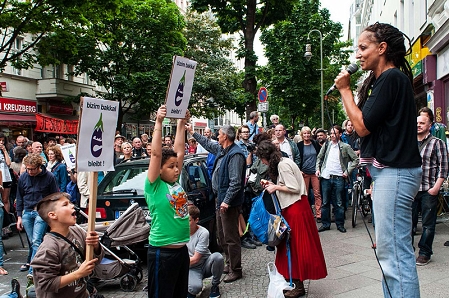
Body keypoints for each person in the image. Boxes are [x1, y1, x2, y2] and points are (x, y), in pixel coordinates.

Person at [335, 22, 423, 297]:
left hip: (396, 174)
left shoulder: (391, 78)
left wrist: (345, 90)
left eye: (363, 47)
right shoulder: (388, 80)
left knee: (395, 255)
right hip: (391, 174)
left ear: (382, 48)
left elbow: (361, 126)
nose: (358, 54)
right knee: (390, 254)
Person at [256, 140, 327, 298]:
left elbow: (293, 187)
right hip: (294, 208)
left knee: (293, 247)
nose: (261, 162)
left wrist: (275, 187)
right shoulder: (283, 162)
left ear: (266, 156)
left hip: (295, 208)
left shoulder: (283, 165)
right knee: (292, 246)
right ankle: (295, 282)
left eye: (261, 158)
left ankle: (298, 285)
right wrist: (271, 184)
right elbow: (288, 184)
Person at [187, 123, 245, 283]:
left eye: (219, 134)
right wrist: (192, 132)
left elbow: (235, 182)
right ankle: (229, 263)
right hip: (220, 199)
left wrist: (226, 202)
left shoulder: (235, 155)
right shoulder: (222, 149)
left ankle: (236, 269)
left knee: (231, 236)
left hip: (229, 203)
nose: (216, 136)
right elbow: (208, 144)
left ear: (225, 136)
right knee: (222, 234)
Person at [145, 105, 190, 298]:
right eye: (171, 167)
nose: (177, 169)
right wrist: (158, 122)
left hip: (181, 252)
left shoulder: (175, 183)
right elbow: (156, 155)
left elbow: (179, 152)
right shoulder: (154, 186)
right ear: (160, 169)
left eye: (177, 166)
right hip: (162, 254)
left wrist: (181, 123)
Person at [31, 192, 104, 298]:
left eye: (70, 203)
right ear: (52, 215)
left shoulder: (79, 232)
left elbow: (96, 260)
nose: (72, 206)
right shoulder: (49, 248)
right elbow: (46, 283)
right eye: (65, 204)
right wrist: (78, 274)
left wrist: (96, 246)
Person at [16, 154, 59, 285]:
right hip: (27, 211)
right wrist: (19, 216)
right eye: (28, 169)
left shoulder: (49, 177)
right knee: (32, 242)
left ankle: (33, 270)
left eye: (32, 169)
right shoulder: (24, 177)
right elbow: (19, 197)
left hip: (41, 211)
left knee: (36, 241)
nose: (30, 171)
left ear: (39, 166)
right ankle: (41, 264)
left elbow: (54, 195)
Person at [412, 115, 448, 266]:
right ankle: (407, 250)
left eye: (422, 123)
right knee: (408, 223)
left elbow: (444, 167)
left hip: (428, 189)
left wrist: (436, 187)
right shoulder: (409, 141)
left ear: (430, 125)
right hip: (411, 190)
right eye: (417, 123)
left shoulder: (437, 142)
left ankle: (425, 252)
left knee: (428, 223)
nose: (419, 125)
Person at [316, 125, 358, 233]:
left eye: (334, 133)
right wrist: (318, 169)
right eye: (331, 133)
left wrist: (347, 171)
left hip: (339, 177)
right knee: (325, 202)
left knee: (339, 203)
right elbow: (319, 158)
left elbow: (355, 160)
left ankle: (340, 224)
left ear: (340, 134)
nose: (332, 135)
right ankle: (325, 224)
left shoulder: (345, 146)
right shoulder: (326, 145)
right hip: (326, 177)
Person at [187, 205, 223, 298]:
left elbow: (195, 259)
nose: (185, 224)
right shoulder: (179, 232)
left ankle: (215, 286)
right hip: (191, 268)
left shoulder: (203, 233)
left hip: (204, 264)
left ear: (196, 220)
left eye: (189, 221)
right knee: (194, 288)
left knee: (217, 257)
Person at [297, 126, 322, 222]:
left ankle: (319, 214)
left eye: (308, 133)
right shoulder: (299, 145)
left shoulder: (315, 144)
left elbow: (320, 156)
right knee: (305, 194)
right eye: (304, 133)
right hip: (304, 173)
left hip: (315, 172)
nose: (306, 135)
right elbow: (297, 158)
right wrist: (299, 170)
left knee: (317, 193)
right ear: (302, 135)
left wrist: (319, 168)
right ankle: (308, 214)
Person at [0, 133, 12, 214]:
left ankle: (7, 220)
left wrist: (4, 150)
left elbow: (8, 163)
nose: (1, 142)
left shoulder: (6, 150)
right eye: (0, 140)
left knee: (5, 200)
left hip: (6, 177)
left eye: (3, 141)